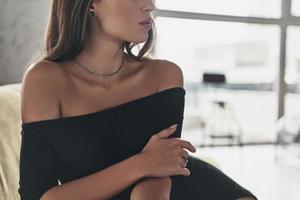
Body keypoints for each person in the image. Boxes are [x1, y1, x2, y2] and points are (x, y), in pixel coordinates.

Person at [18, 0, 257, 199]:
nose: (150, 5)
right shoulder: (45, 80)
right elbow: (38, 196)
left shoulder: (164, 75)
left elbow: (160, 175)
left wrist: (150, 167)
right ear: (91, 3)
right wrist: (141, 164)